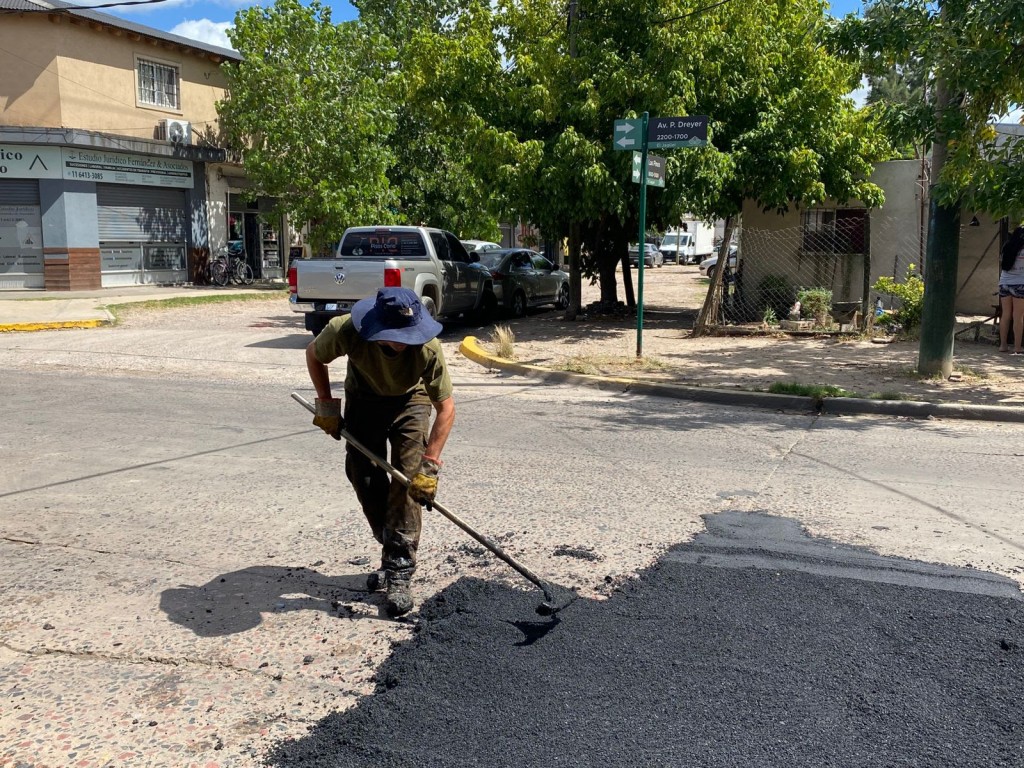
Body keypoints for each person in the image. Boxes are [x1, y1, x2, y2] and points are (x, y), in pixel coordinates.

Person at [305, 287, 455, 616]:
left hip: (410, 401)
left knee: (408, 481)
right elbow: (314, 355)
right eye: (396, 335)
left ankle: (399, 571)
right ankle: (391, 541)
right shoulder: (346, 330)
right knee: (363, 475)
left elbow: (445, 408)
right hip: (364, 398)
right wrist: (327, 406)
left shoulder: (427, 348)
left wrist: (430, 466)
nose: (404, 341)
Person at [999, 223, 1024, 354]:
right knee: (1018, 316)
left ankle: (1003, 345)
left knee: (1006, 315)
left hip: (1004, 282)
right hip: (1021, 283)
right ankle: (1017, 347)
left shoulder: (1006, 246)